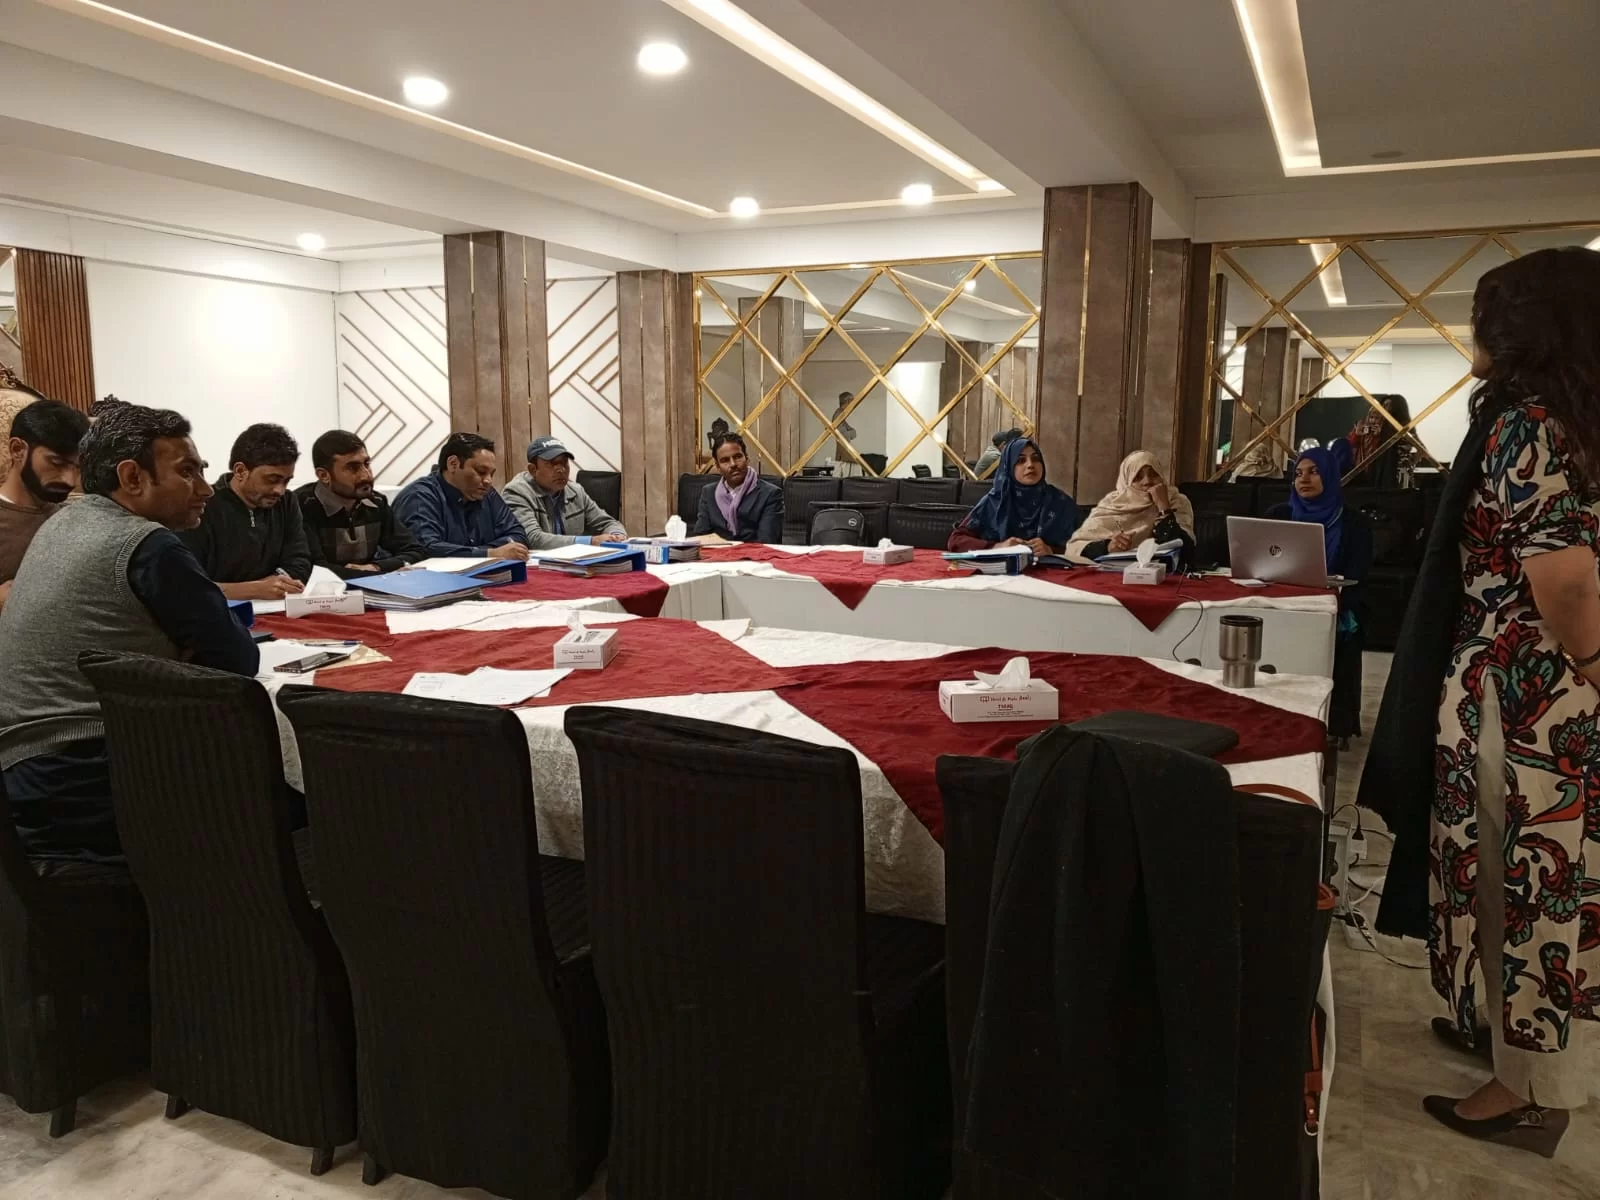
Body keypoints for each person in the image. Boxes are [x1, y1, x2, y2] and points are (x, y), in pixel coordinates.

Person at [1361, 247, 1600, 1155]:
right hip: (1544, 694)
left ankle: (1530, 1089)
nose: (1474, 339)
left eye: (1486, 319)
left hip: (1527, 696)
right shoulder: (1570, 421)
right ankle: (1507, 1039)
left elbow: (1564, 580)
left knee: (1521, 883)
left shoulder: (1530, 424)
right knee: (1542, 879)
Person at [0, 405, 258, 863]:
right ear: (132, 477)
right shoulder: (147, 546)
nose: (204, 489)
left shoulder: (61, 524)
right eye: (187, 472)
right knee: (279, 790)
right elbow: (239, 660)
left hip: (23, 779)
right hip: (84, 782)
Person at [1266, 445, 1372, 740]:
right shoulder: (1279, 515)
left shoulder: (1354, 523)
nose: (1304, 479)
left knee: (1339, 629)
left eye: (1314, 472)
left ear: (1330, 476)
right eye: (1298, 473)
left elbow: (1358, 576)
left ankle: (1332, 722)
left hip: (1336, 606)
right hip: (1281, 603)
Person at [179, 423, 312, 602]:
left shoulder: (287, 502)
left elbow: (300, 560)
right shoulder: (199, 507)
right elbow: (188, 584)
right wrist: (254, 589)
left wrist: (276, 584)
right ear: (240, 471)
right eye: (272, 480)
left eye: (286, 481)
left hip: (276, 605)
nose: (280, 490)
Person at [293, 430, 426, 577]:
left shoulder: (376, 502)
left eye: (367, 464)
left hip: (371, 584)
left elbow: (415, 550)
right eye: (353, 468)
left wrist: (376, 567)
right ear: (324, 475)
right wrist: (379, 573)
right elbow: (315, 569)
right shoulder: (301, 506)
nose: (366, 475)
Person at [0, 399, 90, 607]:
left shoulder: (75, 515)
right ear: (17, 449)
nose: (70, 480)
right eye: (57, 463)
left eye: (77, 468)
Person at [394, 433, 530, 560]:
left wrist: (481, 552)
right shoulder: (419, 496)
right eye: (481, 472)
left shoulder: (487, 493)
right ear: (453, 464)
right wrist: (488, 554)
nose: (488, 481)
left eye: (491, 474)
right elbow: (426, 549)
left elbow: (518, 534)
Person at [948, 437, 1081, 555]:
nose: (1030, 465)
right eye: (1021, 460)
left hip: (1051, 573)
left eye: (1036, 459)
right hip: (1000, 572)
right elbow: (956, 540)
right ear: (1008, 467)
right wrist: (998, 547)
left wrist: (1051, 550)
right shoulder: (994, 501)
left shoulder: (1060, 502)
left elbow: (1086, 547)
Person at [1065, 451, 1196, 565]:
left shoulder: (1177, 501)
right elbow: (1075, 548)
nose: (1147, 481)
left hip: (1165, 576)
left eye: (1153, 474)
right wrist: (1108, 546)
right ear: (1126, 482)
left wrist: (1164, 507)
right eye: (1137, 477)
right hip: (1114, 576)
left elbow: (1185, 552)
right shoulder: (1112, 504)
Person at [502, 435, 627, 550]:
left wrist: (616, 536)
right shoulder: (516, 492)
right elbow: (533, 539)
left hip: (573, 562)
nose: (561, 469)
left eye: (564, 462)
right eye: (551, 464)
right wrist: (591, 541)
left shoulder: (576, 491)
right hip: (535, 564)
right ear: (533, 469)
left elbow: (608, 523)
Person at [692, 433, 783, 543]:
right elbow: (701, 537)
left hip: (755, 553)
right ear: (718, 467)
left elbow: (766, 541)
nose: (733, 464)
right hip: (718, 553)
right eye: (725, 460)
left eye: (738, 457)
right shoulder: (709, 493)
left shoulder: (770, 494)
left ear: (747, 458)